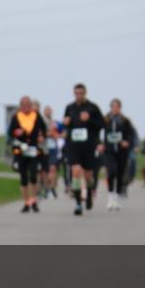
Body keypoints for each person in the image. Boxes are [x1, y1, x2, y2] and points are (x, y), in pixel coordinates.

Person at [62, 83, 105, 216]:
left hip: (88, 146)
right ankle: (78, 204)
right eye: (76, 93)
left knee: (88, 176)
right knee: (75, 172)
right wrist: (66, 123)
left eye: (81, 93)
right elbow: (66, 125)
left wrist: (90, 119)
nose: (79, 96)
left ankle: (90, 193)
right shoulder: (69, 108)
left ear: (85, 93)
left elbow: (102, 124)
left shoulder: (93, 107)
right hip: (73, 145)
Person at [8, 96, 47, 213]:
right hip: (20, 149)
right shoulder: (16, 116)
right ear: (20, 105)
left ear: (31, 105)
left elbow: (44, 129)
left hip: (33, 149)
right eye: (24, 104)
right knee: (23, 177)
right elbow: (10, 132)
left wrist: (41, 136)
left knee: (34, 175)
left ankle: (34, 200)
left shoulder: (36, 115)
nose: (26, 107)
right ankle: (26, 202)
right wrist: (17, 132)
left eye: (28, 104)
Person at [101, 98, 137, 211]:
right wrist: (100, 144)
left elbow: (131, 135)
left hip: (122, 151)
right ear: (110, 108)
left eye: (117, 106)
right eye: (113, 106)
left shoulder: (125, 120)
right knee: (112, 171)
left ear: (120, 108)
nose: (115, 109)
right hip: (109, 151)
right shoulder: (105, 120)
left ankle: (116, 200)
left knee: (120, 174)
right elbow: (96, 131)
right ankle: (110, 198)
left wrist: (128, 143)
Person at [43, 105, 64, 199]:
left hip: (53, 148)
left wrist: (58, 135)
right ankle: (47, 188)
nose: (48, 112)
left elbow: (62, 132)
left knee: (53, 168)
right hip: (44, 148)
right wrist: (49, 134)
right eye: (46, 110)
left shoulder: (55, 122)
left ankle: (52, 188)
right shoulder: (41, 121)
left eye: (49, 111)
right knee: (45, 171)